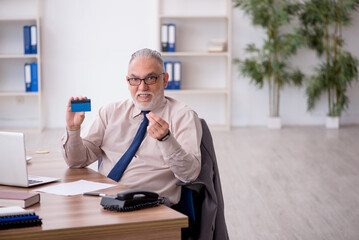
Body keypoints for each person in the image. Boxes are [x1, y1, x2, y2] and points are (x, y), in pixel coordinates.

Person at [61, 48, 202, 205]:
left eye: (151, 78)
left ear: (165, 80)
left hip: (150, 206)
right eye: (135, 80)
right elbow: (76, 162)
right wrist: (73, 130)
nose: (142, 87)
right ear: (127, 81)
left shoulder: (183, 115)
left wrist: (167, 140)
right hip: (104, 200)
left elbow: (189, 174)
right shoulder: (109, 112)